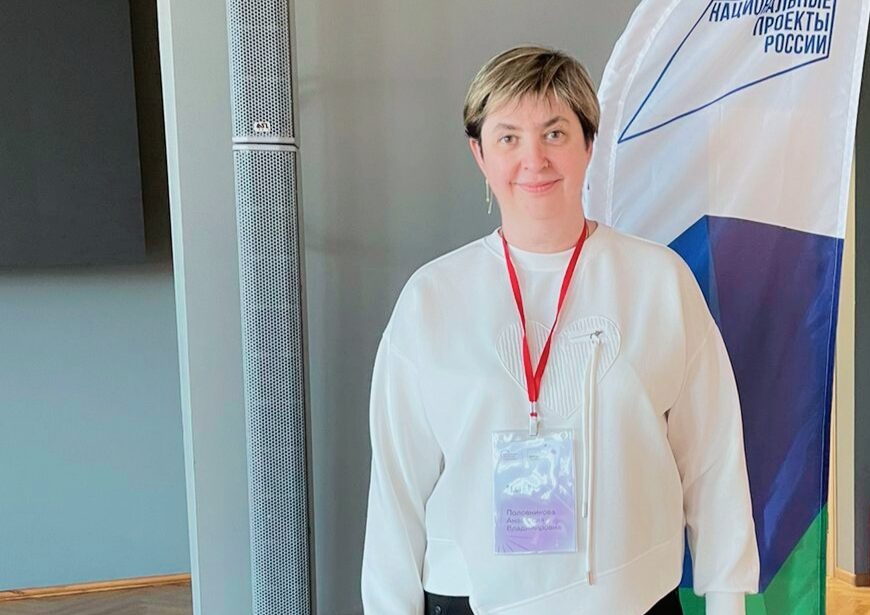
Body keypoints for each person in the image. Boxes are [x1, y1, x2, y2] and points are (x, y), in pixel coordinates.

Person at [361, 45, 759, 615]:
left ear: (588, 144)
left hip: (632, 600)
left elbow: (714, 460)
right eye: (508, 137)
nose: (534, 159)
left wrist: (727, 598)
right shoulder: (432, 298)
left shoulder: (659, 281)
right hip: (470, 600)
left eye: (554, 133)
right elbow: (396, 487)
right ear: (479, 153)